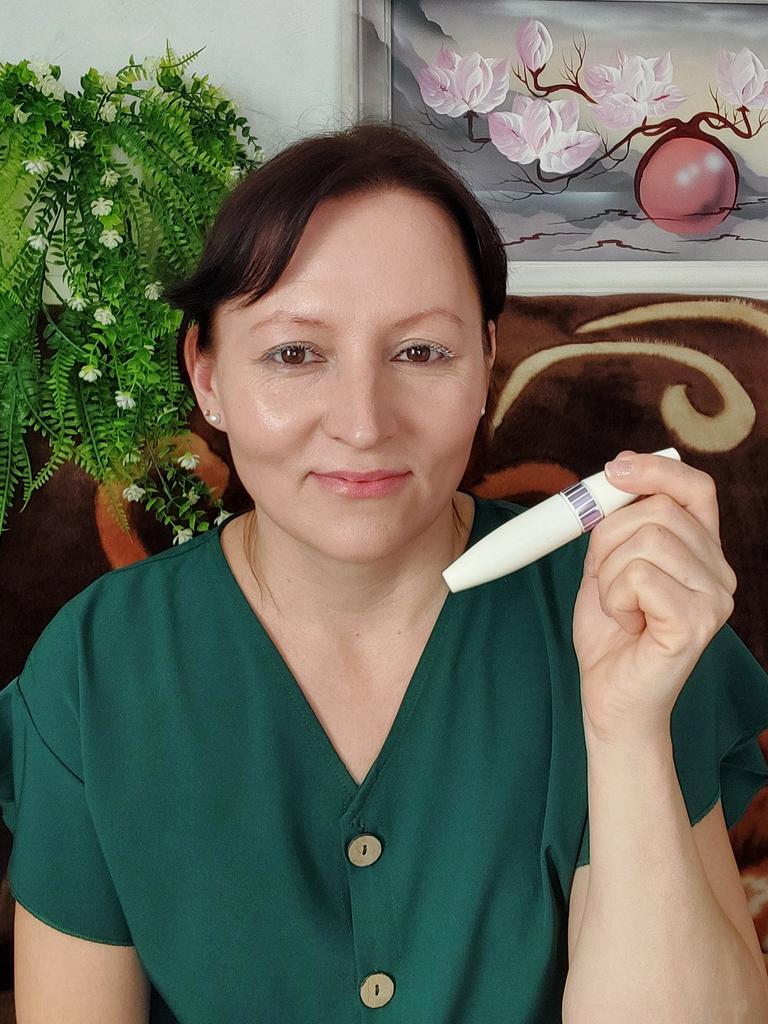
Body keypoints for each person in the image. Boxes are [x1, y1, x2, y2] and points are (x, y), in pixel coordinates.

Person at [2, 120, 768, 1023]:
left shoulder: (623, 613)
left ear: (486, 362)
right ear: (206, 376)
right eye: (294, 354)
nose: (363, 424)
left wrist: (629, 729)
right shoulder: (96, 667)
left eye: (420, 352)